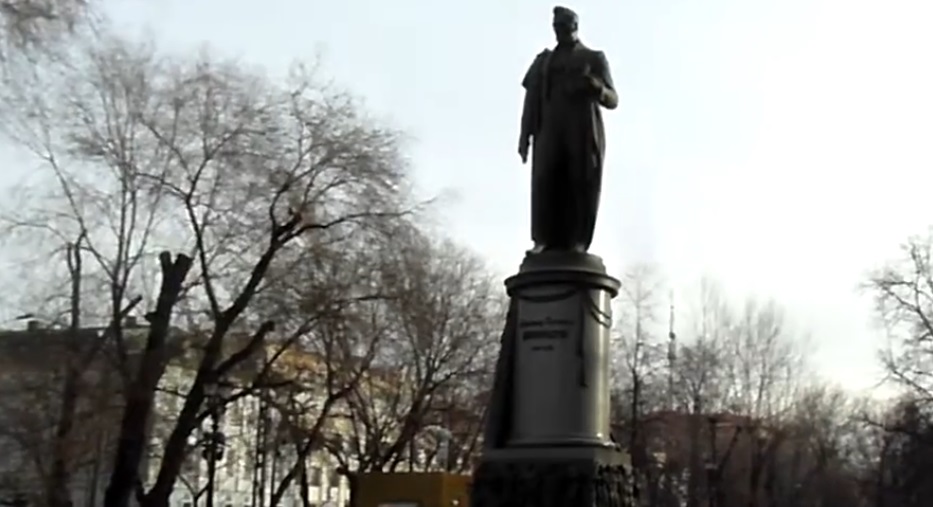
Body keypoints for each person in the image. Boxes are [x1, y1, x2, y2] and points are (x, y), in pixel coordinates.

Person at [519, 6, 618, 254]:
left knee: (578, 182)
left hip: (581, 132)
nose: (559, 33)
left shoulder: (594, 58)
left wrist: (596, 87)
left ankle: (578, 241)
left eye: (564, 28)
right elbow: (531, 101)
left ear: (574, 27)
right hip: (548, 129)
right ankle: (542, 240)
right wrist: (524, 136)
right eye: (556, 29)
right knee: (546, 182)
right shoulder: (543, 61)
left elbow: (613, 99)